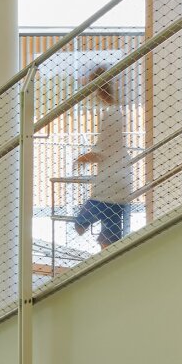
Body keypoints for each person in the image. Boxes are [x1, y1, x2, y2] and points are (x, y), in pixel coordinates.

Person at [72, 77, 132, 249]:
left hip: (109, 184)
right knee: (110, 236)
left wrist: (82, 159)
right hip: (121, 184)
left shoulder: (110, 114)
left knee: (80, 224)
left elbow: (103, 150)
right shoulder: (118, 111)